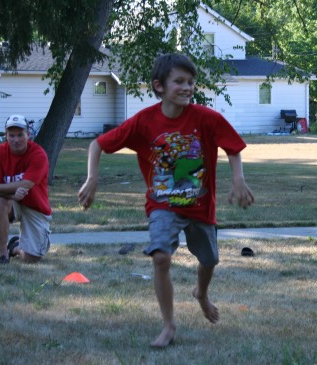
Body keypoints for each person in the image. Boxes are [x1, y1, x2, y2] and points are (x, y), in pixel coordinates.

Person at [78, 53, 254, 348]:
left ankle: (201, 293)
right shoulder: (144, 121)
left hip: (200, 206)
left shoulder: (206, 118)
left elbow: (233, 147)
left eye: (191, 82)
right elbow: (98, 144)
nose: (187, 87)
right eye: (180, 82)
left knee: (209, 260)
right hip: (162, 205)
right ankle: (169, 325)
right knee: (160, 257)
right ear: (159, 86)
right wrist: (92, 178)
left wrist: (238, 179)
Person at [0, 115, 52, 264]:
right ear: (6, 136)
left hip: (35, 206)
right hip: (11, 202)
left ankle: (14, 248)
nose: (16, 140)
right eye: (11, 135)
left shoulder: (38, 154)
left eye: (20, 135)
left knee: (32, 258)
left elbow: (25, 184)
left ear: (28, 135)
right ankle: (3, 254)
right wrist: (11, 195)